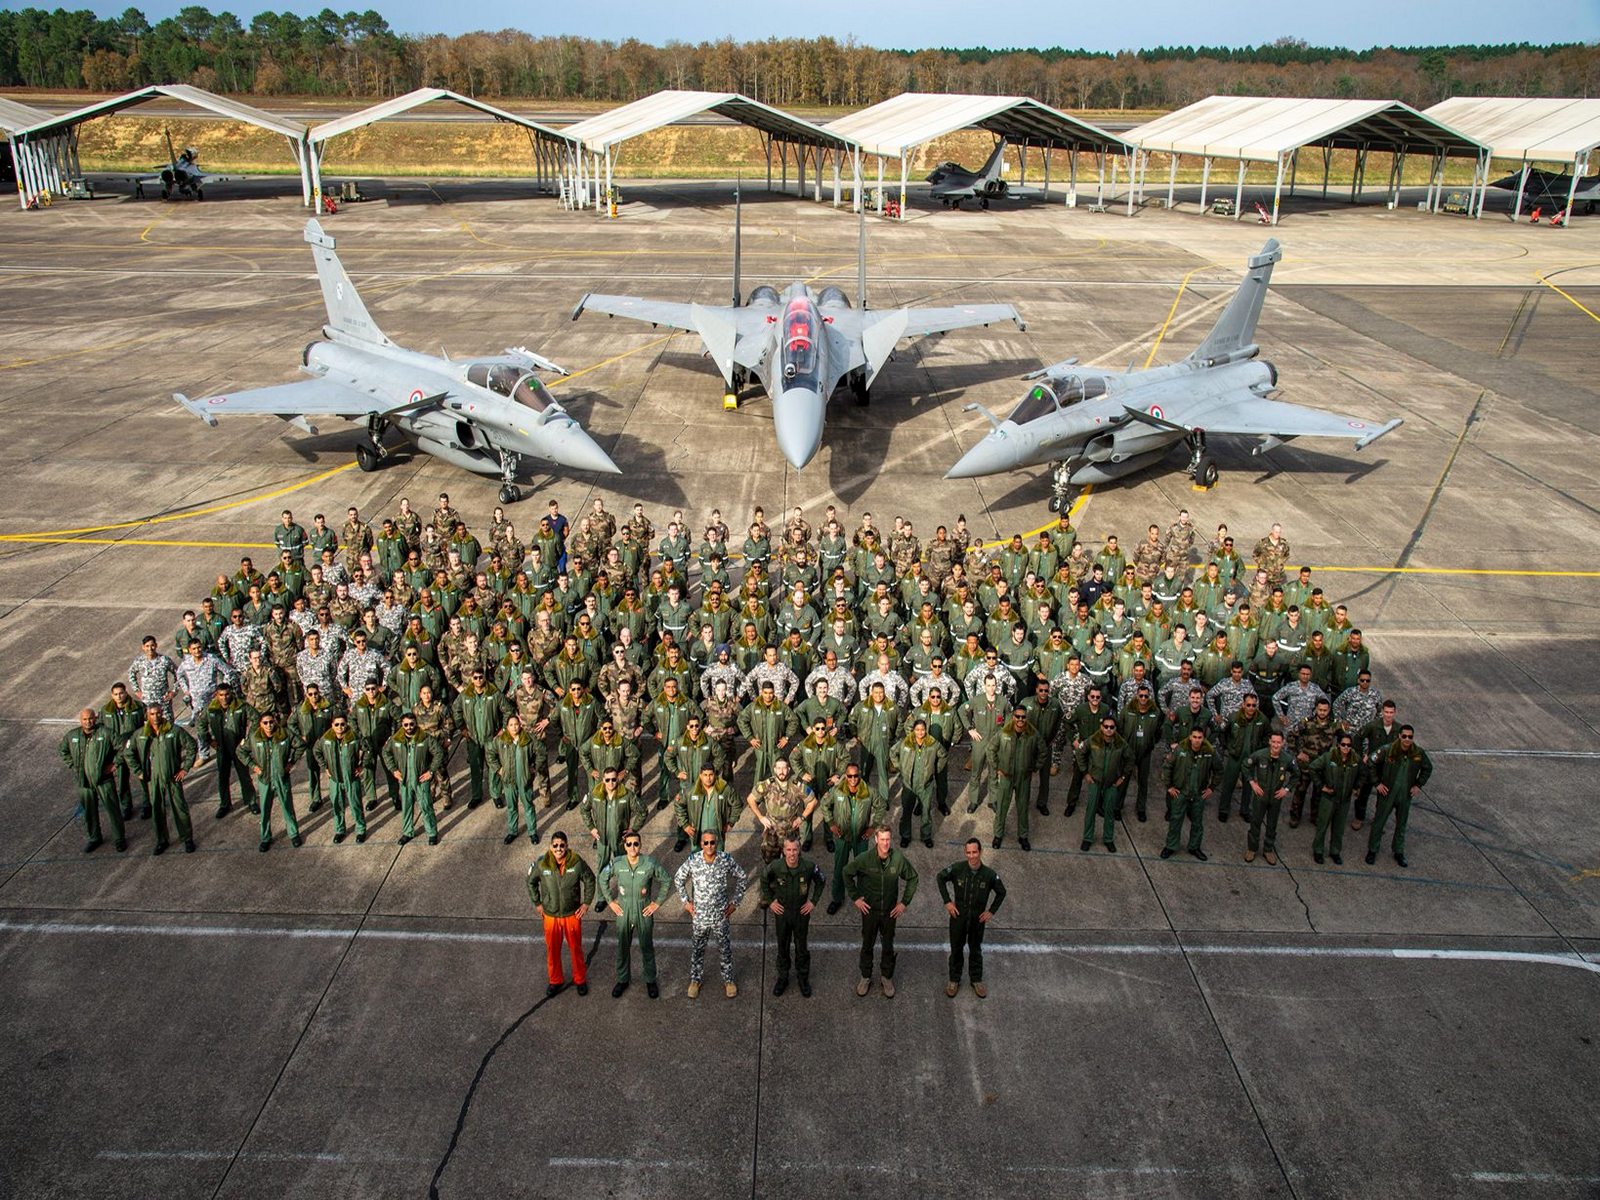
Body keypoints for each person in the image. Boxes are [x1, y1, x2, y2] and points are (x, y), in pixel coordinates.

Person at [844, 825, 919, 999]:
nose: (885, 843)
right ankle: (865, 977)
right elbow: (847, 873)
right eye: (882, 839)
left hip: (889, 913)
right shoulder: (865, 859)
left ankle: (886, 977)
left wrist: (904, 903)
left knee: (888, 946)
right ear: (876, 839)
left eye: (888, 839)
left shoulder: (897, 859)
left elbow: (913, 877)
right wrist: (856, 898)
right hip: (869, 911)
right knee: (867, 945)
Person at [674, 829, 749, 999]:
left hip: (720, 916)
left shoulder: (725, 860)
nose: (709, 846)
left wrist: (735, 903)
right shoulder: (694, 860)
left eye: (712, 842)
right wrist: (686, 902)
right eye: (706, 842)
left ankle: (728, 980)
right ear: (701, 844)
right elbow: (678, 878)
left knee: (725, 949)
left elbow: (742, 877)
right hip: (700, 917)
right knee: (698, 950)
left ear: (717, 843)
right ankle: (695, 980)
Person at [600, 829, 672, 998]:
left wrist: (657, 903)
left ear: (640, 845)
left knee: (646, 946)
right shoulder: (617, 863)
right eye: (629, 844)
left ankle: (650, 980)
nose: (632, 847)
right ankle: (622, 979)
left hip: (643, 910)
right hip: (623, 910)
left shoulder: (649, 863)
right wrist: (610, 901)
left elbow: (666, 880)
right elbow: (602, 878)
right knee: (622, 947)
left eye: (635, 844)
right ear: (625, 846)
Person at [528, 831, 596, 996]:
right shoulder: (542, 863)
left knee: (576, 949)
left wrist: (586, 903)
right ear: (550, 847)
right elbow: (530, 882)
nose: (558, 848)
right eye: (555, 845)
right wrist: (537, 903)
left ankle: (580, 979)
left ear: (567, 846)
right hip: (551, 915)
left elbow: (590, 879)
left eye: (562, 845)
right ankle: (555, 980)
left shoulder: (576, 862)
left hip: (571, 914)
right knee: (552, 950)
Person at [937, 839, 1007, 998]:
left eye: (974, 852)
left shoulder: (989, 874)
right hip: (958, 917)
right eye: (968, 852)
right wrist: (947, 901)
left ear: (981, 852)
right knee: (956, 949)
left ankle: (976, 979)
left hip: (977, 920)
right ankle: (954, 980)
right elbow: (940, 877)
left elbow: (1002, 892)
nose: (971, 856)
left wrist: (991, 911)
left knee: (975, 950)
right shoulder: (958, 868)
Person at [124, 704, 198, 855]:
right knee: (157, 810)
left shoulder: (174, 731)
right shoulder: (140, 734)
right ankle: (161, 840)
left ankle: (187, 838)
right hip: (153, 779)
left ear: (162, 713)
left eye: (158, 713)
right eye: (152, 714)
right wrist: (138, 771)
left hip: (172, 777)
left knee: (180, 809)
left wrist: (185, 768)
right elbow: (128, 753)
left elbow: (191, 745)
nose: (155, 717)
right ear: (147, 715)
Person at [762, 834, 825, 997]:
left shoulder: (808, 867)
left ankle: (803, 977)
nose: (791, 854)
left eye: (795, 850)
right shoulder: (776, 867)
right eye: (788, 850)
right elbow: (763, 879)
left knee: (801, 947)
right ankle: (783, 977)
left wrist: (813, 902)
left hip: (801, 913)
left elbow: (821, 881)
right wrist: (771, 901)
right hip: (782, 913)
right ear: (783, 851)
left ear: (799, 851)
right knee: (782, 946)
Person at [59, 708, 126, 853]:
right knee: (89, 811)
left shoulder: (106, 733)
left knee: (113, 810)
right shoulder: (72, 736)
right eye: (84, 719)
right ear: (80, 720)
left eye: (90, 719)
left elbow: (124, 748)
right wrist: (73, 765)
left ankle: (119, 839)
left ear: (95, 718)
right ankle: (94, 837)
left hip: (104, 780)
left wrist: (115, 764)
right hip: (84, 781)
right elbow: (63, 750)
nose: (88, 722)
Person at [1365, 725, 1433, 869]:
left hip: (1405, 794)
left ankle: (1398, 851)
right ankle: (1372, 850)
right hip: (1387, 793)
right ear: (1399, 736)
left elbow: (1428, 768)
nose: (1407, 739)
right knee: (1379, 822)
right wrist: (1377, 783)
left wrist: (1418, 785)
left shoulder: (1418, 753)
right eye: (1404, 736)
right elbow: (1371, 762)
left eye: (1410, 737)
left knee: (1402, 823)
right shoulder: (1387, 750)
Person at [580, 769, 646, 911]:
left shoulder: (626, 795)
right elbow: (584, 809)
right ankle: (602, 898)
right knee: (602, 868)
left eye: (614, 779)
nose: (611, 783)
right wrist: (591, 828)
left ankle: (625, 896)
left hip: (620, 840)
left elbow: (643, 811)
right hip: (602, 840)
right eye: (608, 780)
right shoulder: (595, 794)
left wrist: (633, 829)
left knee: (623, 868)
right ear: (603, 780)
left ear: (618, 779)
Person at [383, 711, 444, 846]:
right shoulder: (396, 740)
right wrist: (393, 770)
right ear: (402, 725)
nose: (409, 727)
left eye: (411, 724)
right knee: (406, 806)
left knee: (426, 806)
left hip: (421, 779)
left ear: (416, 723)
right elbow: (386, 753)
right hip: (405, 779)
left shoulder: (425, 738)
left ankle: (432, 833)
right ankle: (407, 832)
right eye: (406, 725)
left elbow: (439, 753)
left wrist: (431, 771)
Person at [244, 711, 301, 852]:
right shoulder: (254, 737)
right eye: (265, 723)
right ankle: (265, 838)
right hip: (265, 779)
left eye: (271, 722)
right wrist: (253, 766)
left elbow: (300, 745)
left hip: (281, 777)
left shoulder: (284, 734)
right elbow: (241, 751)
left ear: (275, 722)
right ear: (260, 724)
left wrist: (291, 762)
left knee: (287, 806)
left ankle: (293, 834)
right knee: (265, 809)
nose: (269, 725)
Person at [986, 706, 1039, 851]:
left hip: (1024, 778)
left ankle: (1023, 836)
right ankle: (998, 835)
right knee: (1002, 808)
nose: (1020, 719)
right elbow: (990, 749)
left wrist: (1034, 768)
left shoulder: (1032, 734)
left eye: (1023, 717)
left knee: (1023, 807)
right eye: (1018, 716)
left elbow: (1043, 751)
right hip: (1006, 777)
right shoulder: (1004, 732)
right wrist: (997, 768)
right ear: (1013, 717)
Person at [1075, 715, 1131, 854]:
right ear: (1101, 727)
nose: (1108, 729)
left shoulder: (1121, 744)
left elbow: (1130, 760)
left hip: (1111, 783)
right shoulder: (1093, 740)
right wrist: (1085, 773)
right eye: (1106, 726)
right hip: (1095, 781)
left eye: (1111, 727)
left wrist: (1122, 777)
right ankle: (1087, 838)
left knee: (1109, 811)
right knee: (1091, 810)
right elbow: (1080, 752)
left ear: (1115, 728)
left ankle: (1108, 839)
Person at [1160, 726, 1215, 861]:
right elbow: (1167, 767)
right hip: (1181, 792)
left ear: (1203, 738)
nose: (1197, 740)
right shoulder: (1180, 750)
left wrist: (1211, 788)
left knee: (1197, 822)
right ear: (1190, 737)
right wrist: (1169, 787)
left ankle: (1194, 847)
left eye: (1200, 738)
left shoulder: (1209, 753)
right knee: (1175, 820)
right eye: (1194, 737)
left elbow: (1219, 771)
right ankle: (1171, 846)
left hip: (1198, 794)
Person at [1244, 732, 1297, 865]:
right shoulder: (1260, 755)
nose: (1276, 745)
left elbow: (1296, 775)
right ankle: (1252, 848)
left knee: (1272, 825)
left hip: (1275, 797)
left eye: (1278, 742)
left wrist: (1286, 789)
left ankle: (1268, 849)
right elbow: (1245, 765)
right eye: (1273, 742)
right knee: (1255, 823)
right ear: (1269, 742)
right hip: (1260, 796)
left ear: (1283, 743)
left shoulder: (1287, 759)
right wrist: (1252, 782)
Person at [1309, 732, 1362, 865]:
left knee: (1339, 829)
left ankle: (1335, 851)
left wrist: (1356, 786)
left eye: (1349, 745)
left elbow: (1363, 773)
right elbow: (1313, 768)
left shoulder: (1355, 759)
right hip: (1329, 799)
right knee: (1322, 826)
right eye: (1343, 744)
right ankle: (1318, 850)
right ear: (1338, 745)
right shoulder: (1328, 757)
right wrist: (1321, 786)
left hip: (1344, 800)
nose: (1346, 747)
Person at [314, 712, 366, 843]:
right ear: (332, 725)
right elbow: (316, 751)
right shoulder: (326, 739)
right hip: (335, 779)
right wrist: (325, 767)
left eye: (342, 724)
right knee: (337, 806)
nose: (339, 727)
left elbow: (368, 750)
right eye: (336, 724)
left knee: (355, 804)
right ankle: (340, 830)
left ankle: (360, 829)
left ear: (346, 724)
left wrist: (362, 766)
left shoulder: (354, 737)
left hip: (351, 778)